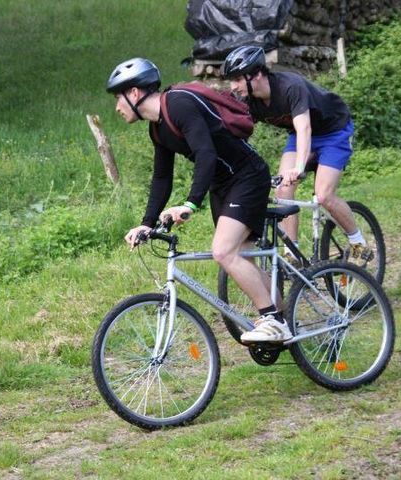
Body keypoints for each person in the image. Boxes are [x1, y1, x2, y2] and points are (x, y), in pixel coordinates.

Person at [106, 57, 292, 343]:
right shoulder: (157, 128)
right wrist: (147, 223)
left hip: (247, 176)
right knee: (241, 256)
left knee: (224, 251)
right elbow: (162, 178)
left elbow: (205, 153)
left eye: (118, 98)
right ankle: (284, 319)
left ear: (134, 93)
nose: (117, 107)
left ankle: (273, 320)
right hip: (223, 185)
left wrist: (190, 203)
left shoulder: (178, 104)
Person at [220, 46, 374, 262]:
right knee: (283, 189)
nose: (233, 87)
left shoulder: (290, 86)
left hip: (333, 132)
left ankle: (357, 241)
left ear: (256, 74)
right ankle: (293, 255)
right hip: (300, 135)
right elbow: (239, 134)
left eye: (237, 79)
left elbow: (304, 128)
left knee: (324, 195)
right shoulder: (249, 101)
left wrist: (299, 167)